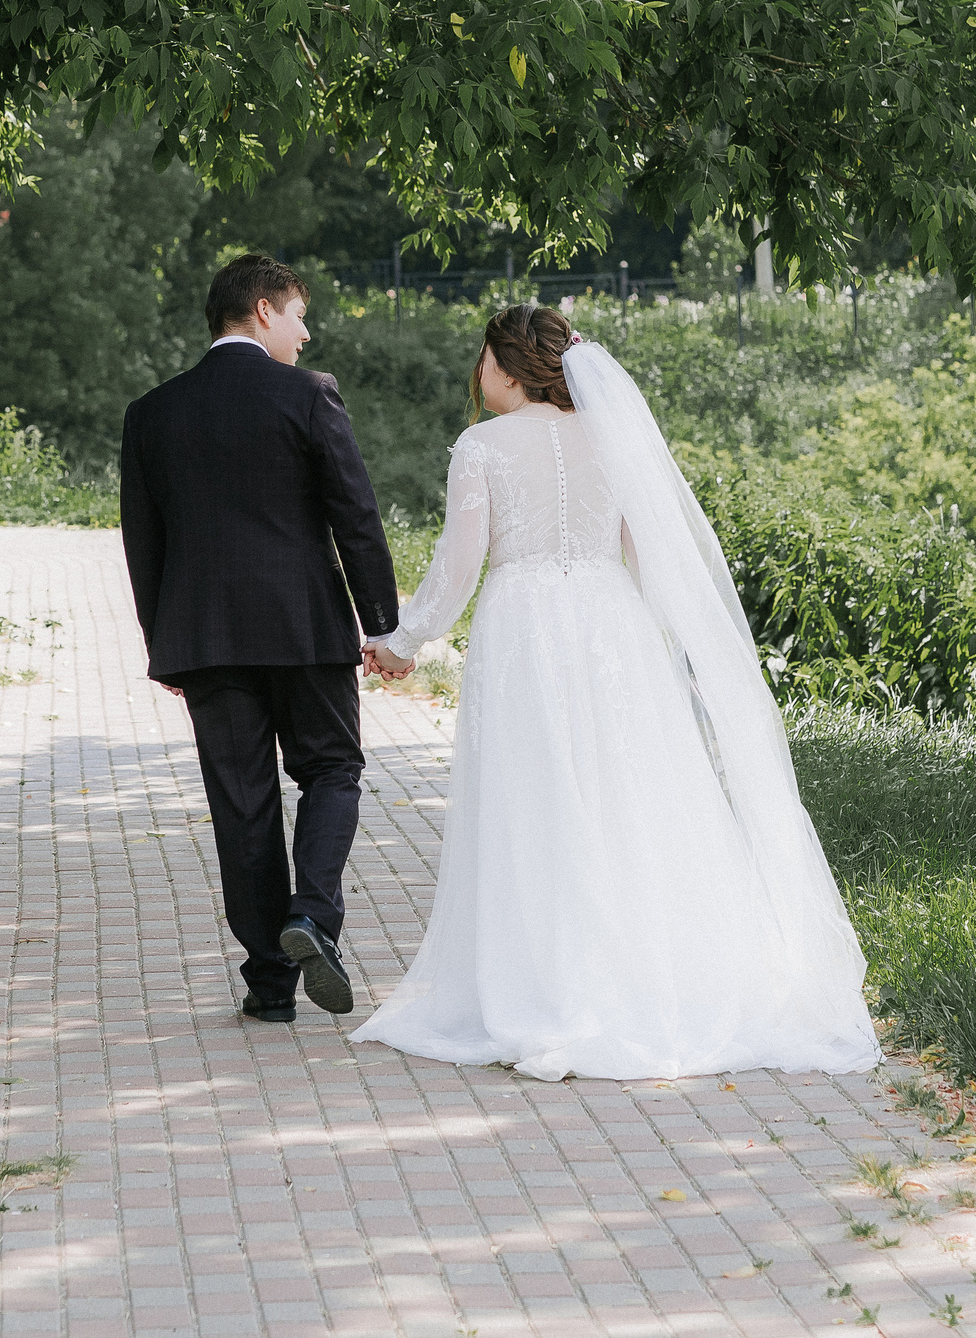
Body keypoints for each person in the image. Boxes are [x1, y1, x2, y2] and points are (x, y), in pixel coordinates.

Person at [349, 304, 881, 1080]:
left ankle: (544, 981)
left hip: (526, 629)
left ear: (506, 365)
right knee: (626, 792)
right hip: (611, 627)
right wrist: (676, 652)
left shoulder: (481, 447)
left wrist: (401, 643)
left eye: (484, 359)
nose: (479, 373)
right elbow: (650, 554)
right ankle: (649, 974)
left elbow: (458, 569)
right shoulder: (613, 436)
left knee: (533, 798)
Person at [119, 253, 402, 1023]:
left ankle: (270, 984)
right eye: (299, 315)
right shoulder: (308, 396)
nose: (306, 335)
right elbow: (356, 516)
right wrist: (382, 624)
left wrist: (164, 644)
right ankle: (311, 914)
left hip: (204, 638)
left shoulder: (152, 412)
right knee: (333, 769)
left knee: (241, 806)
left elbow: (143, 544)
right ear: (265, 310)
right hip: (306, 630)